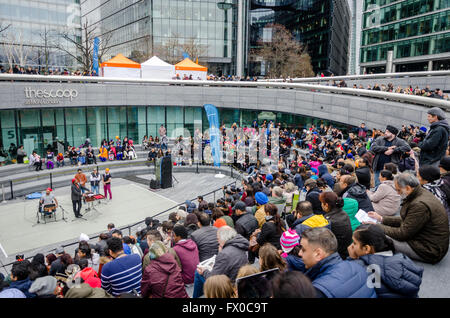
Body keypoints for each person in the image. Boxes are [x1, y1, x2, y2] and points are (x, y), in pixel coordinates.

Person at [367, 172, 450, 264]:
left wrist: (377, 226)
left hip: (429, 250)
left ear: (408, 188)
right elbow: (408, 219)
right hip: (430, 242)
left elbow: (403, 233)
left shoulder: (419, 205)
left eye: (398, 190)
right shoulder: (421, 193)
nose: (397, 193)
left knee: (376, 235)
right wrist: (381, 218)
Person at [347, 224, 423, 298]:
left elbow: (347, 284)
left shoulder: (361, 269)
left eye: (354, 243)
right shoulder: (402, 259)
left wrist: (351, 259)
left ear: (367, 248)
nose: (351, 246)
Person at [299, 227, 376, 298]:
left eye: (303, 249)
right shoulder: (359, 267)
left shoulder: (318, 291)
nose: (300, 253)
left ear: (318, 254)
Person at [193, 226, 249, 298]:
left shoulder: (224, 254)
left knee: (198, 273)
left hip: (229, 287)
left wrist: (204, 271)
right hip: (240, 282)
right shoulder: (240, 244)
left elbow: (213, 277)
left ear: (223, 238)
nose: (217, 241)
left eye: (218, 238)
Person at [319, 192, 353, 259]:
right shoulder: (344, 214)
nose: (321, 205)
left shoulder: (329, 221)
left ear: (326, 205)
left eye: (322, 203)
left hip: (336, 254)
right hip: (345, 251)